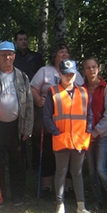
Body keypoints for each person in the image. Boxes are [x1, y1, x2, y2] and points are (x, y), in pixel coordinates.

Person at [31, 43, 84, 200]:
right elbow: (33, 88)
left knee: (68, 152)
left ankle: (68, 187)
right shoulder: (44, 71)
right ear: (55, 55)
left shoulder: (75, 73)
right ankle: (47, 186)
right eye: (61, 52)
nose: (64, 54)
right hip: (48, 119)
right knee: (47, 152)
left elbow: (82, 93)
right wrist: (38, 100)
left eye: (66, 52)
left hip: (70, 123)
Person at [43, 59, 94, 213]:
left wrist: (89, 130)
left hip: (79, 139)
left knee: (77, 173)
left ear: (76, 74)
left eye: (72, 74)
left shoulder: (84, 92)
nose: (69, 77)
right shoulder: (53, 91)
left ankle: (81, 206)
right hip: (61, 139)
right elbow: (47, 117)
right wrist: (55, 132)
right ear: (60, 74)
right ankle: (60, 205)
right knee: (61, 172)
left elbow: (89, 114)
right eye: (66, 74)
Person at [0, 41, 34, 205]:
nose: (7, 57)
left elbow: (28, 105)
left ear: (14, 56)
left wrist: (27, 128)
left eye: (10, 54)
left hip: (16, 126)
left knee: (17, 163)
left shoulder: (22, 77)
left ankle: (17, 196)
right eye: (3, 54)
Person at [83, 58, 107, 211]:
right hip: (86, 136)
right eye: (88, 68)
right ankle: (98, 201)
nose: (91, 70)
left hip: (102, 136)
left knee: (101, 169)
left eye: (94, 67)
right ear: (84, 71)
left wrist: (96, 132)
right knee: (92, 171)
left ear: (98, 69)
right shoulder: (81, 90)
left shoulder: (106, 89)